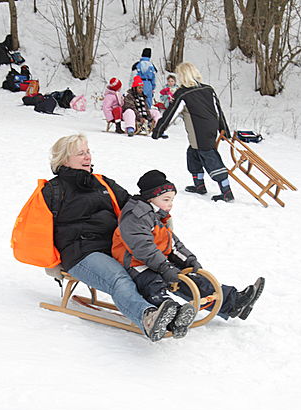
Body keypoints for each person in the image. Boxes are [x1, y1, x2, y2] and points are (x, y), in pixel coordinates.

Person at [41, 134, 181, 342]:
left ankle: (180, 309)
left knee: (150, 268)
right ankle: (147, 317)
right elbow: (39, 227)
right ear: (64, 159)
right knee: (119, 278)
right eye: (80, 153)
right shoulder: (53, 190)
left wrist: (156, 214)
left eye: (88, 151)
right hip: (81, 252)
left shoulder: (102, 183)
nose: (87, 156)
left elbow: (133, 207)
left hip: (113, 246)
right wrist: (50, 263)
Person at [112, 169, 266, 337]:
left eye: (172, 200)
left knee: (190, 278)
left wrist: (189, 260)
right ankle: (168, 314)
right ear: (150, 199)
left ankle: (234, 302)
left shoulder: (157, 216)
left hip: (156, 261)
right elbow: (143, 247)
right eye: (166, 199)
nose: (170, 204)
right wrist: (165, 267)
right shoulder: (136, 216)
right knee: (154, 284)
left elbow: (172, 244)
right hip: (135, 264)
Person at [152, 62, 234, 202]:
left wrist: (158, 130)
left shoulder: (183, 93)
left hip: (199, 132)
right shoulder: (208, 89)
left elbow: (171, 114)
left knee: (209, 157)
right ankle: (199, 186)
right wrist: (224, 129)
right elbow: (218, 110)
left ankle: (227, 192)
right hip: (210, 129)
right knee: (192, 154)